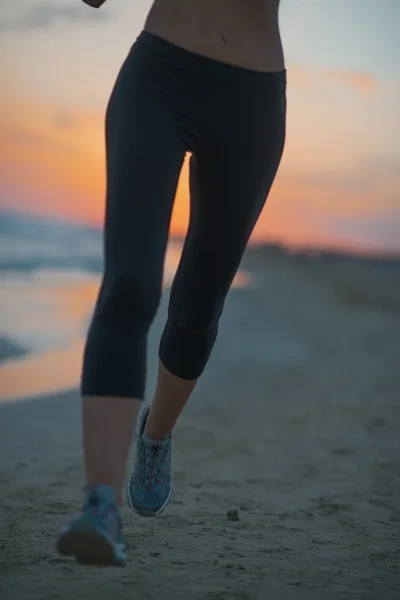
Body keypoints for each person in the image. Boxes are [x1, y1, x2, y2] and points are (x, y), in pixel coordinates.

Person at [56, 0, 286, 567]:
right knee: (130, 286)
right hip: (158, 77)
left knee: (197, 308)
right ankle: (100, 503)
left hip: (252, 102)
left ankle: (154, 437)